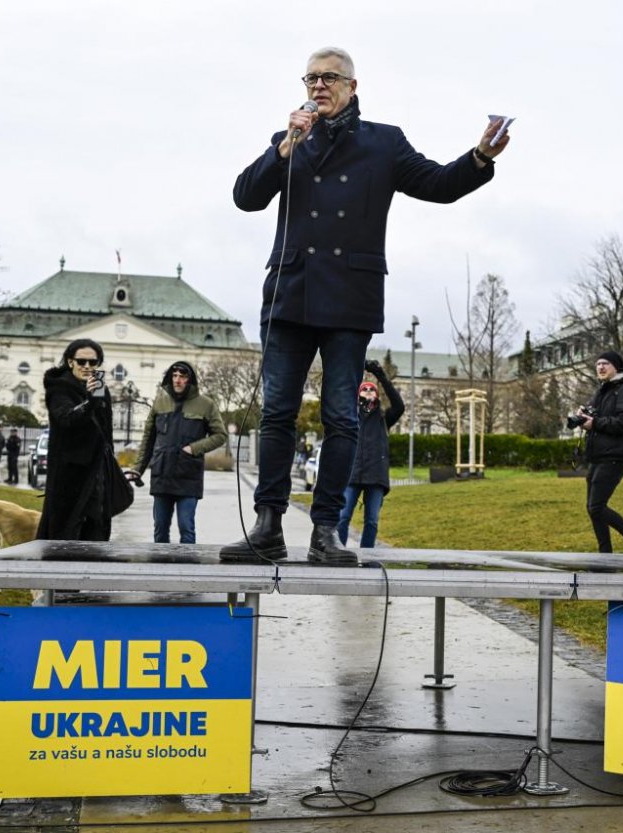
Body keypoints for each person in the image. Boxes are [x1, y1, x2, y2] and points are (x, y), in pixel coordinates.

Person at [222, 46, 509, 566]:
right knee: (277, 415)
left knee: (342, 417)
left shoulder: (383, 142)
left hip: (349, 298)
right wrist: (284, 147)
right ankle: (266, 526)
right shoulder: (289, 140)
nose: (318, 86)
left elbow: (439, 185)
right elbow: (245, 197)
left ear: (353, 87)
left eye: (329, 78)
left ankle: (326, 530)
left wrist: (480, 158)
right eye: (310, 78)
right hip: (289, 293)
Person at [129, 361, 227, 544]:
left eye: (182, 376)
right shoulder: (159, 403)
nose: (177, 380)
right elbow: (148, 440)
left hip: (188, 475)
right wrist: (138, 469)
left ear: (190, 380)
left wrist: (194, 448)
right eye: (174, 376)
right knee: (160, 529)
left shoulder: (206, 405)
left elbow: (220, 435)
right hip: (162, 474)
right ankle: (160, 568)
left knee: (186, 527)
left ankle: (187, 569)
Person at [572, 351, 623, 555]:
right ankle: (605, 555)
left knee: (597, 507)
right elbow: (596, 416)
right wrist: (583, 417)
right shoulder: (604, 390)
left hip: (615, 455)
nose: (600, 367)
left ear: (616, 367)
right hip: (599, 455)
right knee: (593, 508)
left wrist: (595, 423)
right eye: (598, 364)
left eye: (605, 364)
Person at [36, 339, 116, 541]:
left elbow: (106, 432)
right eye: (81, 362)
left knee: (96, 527)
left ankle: (93, 570)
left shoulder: (100, 389)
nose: (87, 367)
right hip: (69, 473)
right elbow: (67, 419)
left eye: (93, 362)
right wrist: (90, 402)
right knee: (65, 530)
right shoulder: (59, 388)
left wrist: (111, 464)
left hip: (96, 472)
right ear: (70, 362)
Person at [336, 360, 404, 548]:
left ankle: (367, 556)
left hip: (376, 476)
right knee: (342, 517)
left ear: (376, 394)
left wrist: (380, 375)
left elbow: (399, 406)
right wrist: (352, 369)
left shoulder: (383, 418)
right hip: (353, 473)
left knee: (372, 521)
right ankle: (339, 553)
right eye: (364, 389)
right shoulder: (351, 415)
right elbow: (340, 396)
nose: (368, 391)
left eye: (371, 389)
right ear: (358, 394)